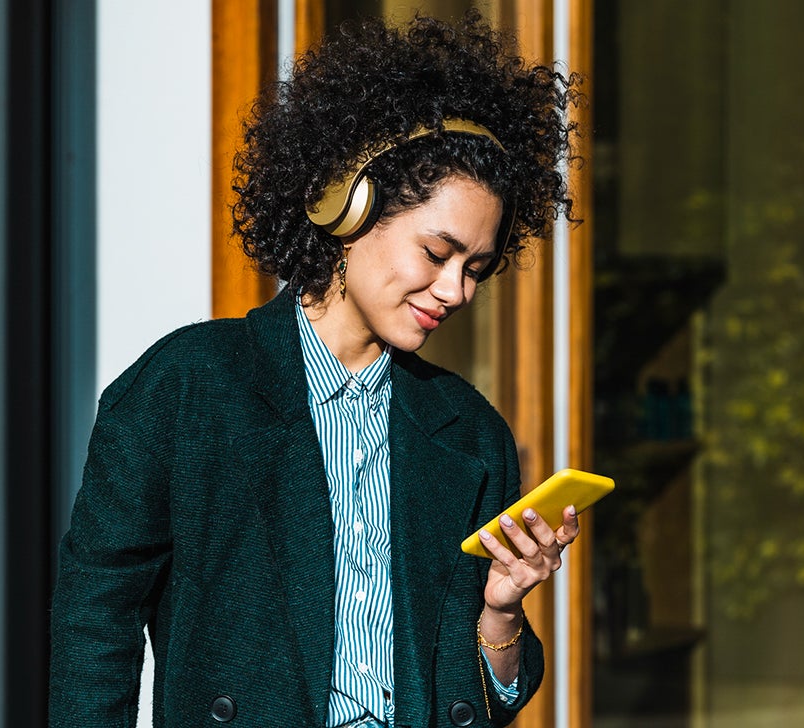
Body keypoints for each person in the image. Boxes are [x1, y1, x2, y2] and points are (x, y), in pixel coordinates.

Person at [50, 10, 578, 727]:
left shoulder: (470, 435)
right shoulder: (188, 387)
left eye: (477, 268)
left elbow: (482, 701)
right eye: (437, 253)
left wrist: (500, 612)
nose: (457, 291)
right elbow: (95, 622)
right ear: (349, 204)